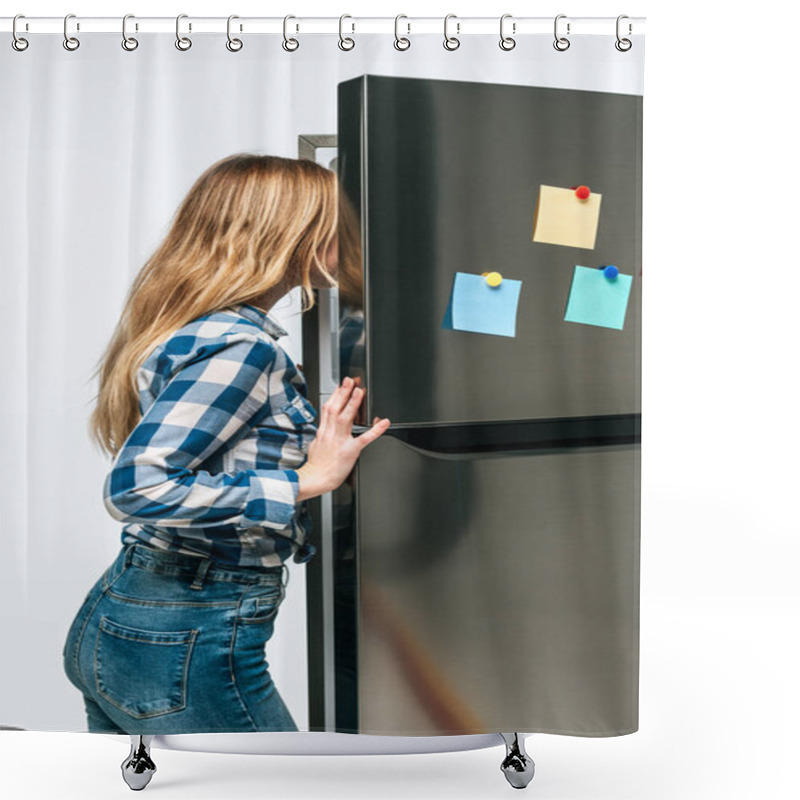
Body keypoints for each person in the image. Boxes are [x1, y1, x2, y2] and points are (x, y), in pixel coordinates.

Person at [61, 153, 390, 734]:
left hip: (144, 616)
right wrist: (305, 481)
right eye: (335, 221)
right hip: (184, 626)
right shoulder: (245, 347)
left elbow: (220, 454)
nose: (349, 236)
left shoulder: (203, 329)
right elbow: (138, 487)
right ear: (291, 235)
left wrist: (323, 455)